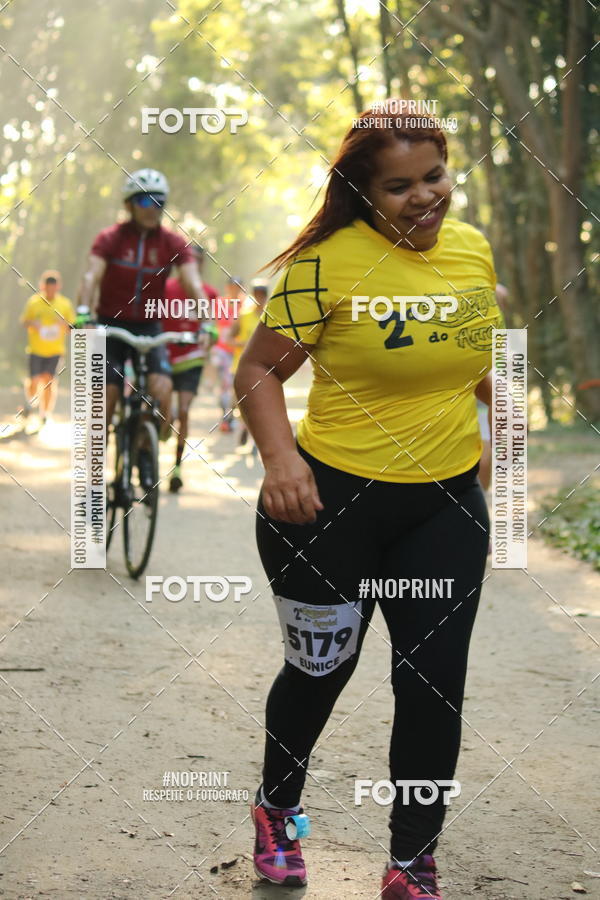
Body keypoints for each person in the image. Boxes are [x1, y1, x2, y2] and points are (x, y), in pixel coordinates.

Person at [234, 104, 503, 897]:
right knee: (320, 671)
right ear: (362, 190)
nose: (425, 198)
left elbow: (477, 354)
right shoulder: (327, 264)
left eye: (435, 177)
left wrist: (503, 430)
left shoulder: (473, 250)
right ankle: (279, 809)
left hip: (444, 507)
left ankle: (411, 858)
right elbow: (258, 372)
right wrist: (281, 461)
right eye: (399, 187)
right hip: (327, 505)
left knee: (432, 682)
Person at [78, 168, 205, 487]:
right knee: (104, 402)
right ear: (129, 205)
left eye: (159, 202)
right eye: (145, 201)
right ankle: (94, 479)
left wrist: (207, 320)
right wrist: (82, 313)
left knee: (162, 396)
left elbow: (192, 283)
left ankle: (145, 454)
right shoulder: (110, 238)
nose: (153, 208)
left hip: (150, 326)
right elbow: (91, 277)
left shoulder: (173, 241)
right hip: (109, 325)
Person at [162, 244, 219, 493]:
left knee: (183, 410)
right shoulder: (164, 288)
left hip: (192, 359)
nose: (193, 264)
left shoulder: (209, 293)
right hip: (163, 357)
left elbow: (213, 329)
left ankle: (176, 468)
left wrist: (210, 337)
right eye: (189, 260)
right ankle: (152, 440)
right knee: (161, 412)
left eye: (198, 260)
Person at [20, 271, 75, 425]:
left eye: (53, 287)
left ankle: (45, 413)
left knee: (49, 381)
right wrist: (33, 324)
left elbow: (74, 327)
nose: (50, 290)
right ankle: (30, 402)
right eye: (47, 287)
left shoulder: (65, 304)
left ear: (58, 287)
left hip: (55, 351)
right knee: (34, 381)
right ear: (42, 286)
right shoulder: (33, 302)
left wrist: (64, 324)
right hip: (35, 349)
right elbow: (24, 322)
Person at [230, 281, 269, 447]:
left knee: (259, 403)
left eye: (262, 295)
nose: (260, 299)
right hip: (240, 366)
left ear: (266, 297)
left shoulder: (270, 317)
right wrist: (243, 344)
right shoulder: (244, 316)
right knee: (239, 403)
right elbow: (229, 338)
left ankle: (253, 434)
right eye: (257, 295)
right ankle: (245, 426)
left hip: (264, 368)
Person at [211, 276, 245, 432]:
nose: (235, 289)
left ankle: (229, 416)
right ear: (227, 287)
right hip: (223, 351)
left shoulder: (246, 305)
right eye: (232, 286)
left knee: (236, 388)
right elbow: (213, 325)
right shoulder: (219, 303)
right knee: (225, 386)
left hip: (240, 352)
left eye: (238, 286)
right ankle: (226, 417)